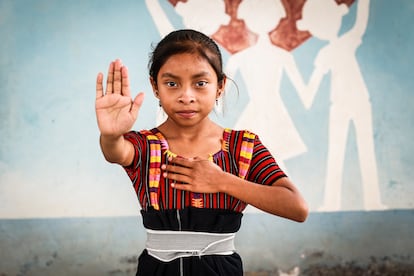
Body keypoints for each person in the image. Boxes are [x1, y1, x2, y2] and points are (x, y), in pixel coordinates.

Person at [95, 29, 308, 276]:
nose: (187, 96)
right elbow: (116, 152)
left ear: (220, 86)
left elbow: (297, 208)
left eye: (200, 83)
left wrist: (221, 181)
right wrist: (110, 135)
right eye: (172, 83)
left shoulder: (242, 147)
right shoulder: (145, 145)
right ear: (155, 87)